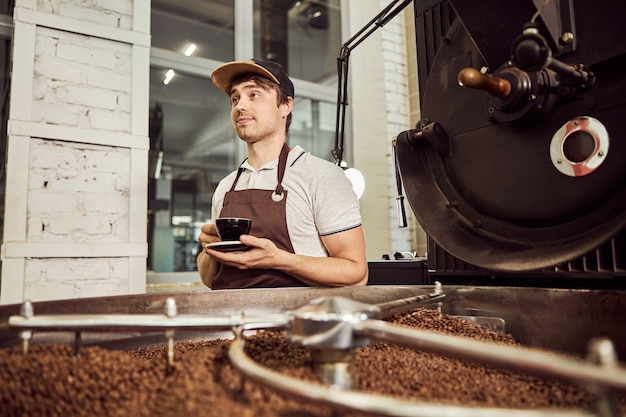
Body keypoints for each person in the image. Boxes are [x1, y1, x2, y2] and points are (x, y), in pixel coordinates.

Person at [196, 59, 368, 289]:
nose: (239, 106)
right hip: (234, 321)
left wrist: (280, 260)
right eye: (235, 98)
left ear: (285, 106)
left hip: (297, 322)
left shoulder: (322, 176)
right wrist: (210, 251)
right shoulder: (227, 187)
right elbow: (211, 279)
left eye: (253, 94)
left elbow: (356, 274)